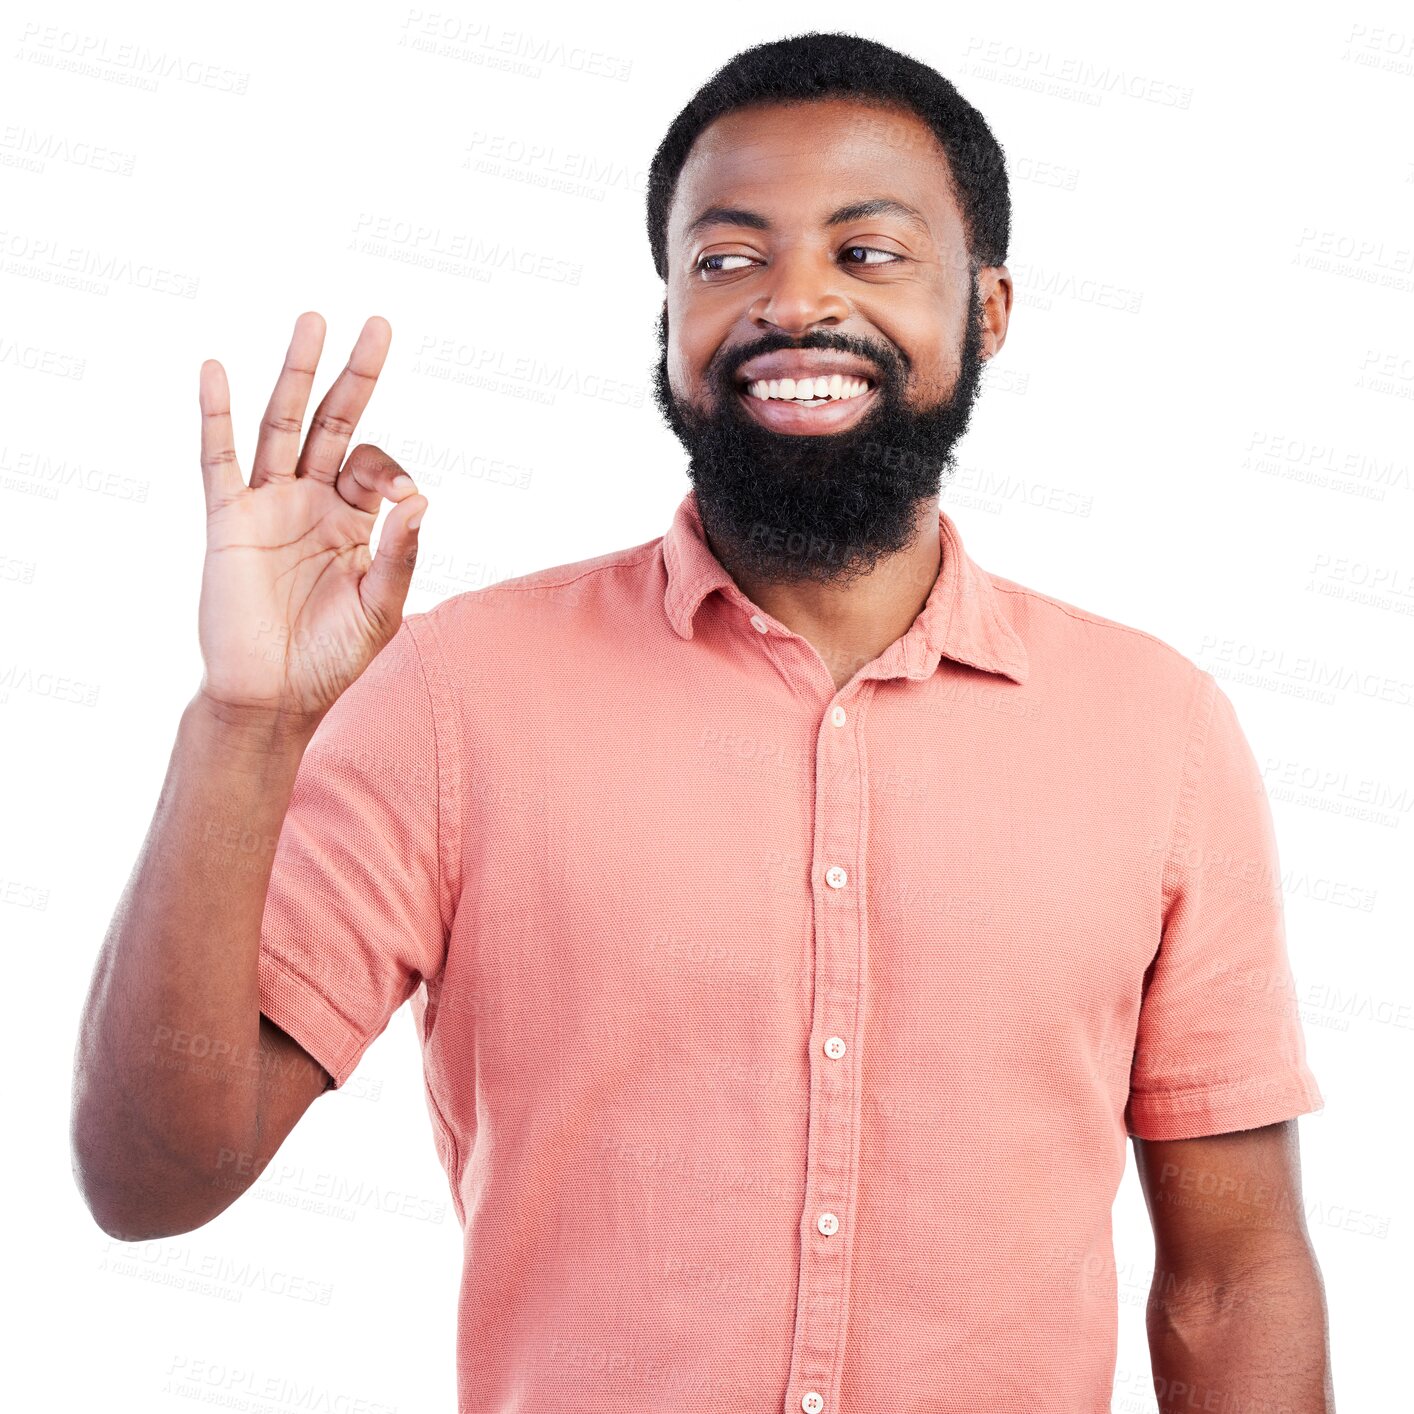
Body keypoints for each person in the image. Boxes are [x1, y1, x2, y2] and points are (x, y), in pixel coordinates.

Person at [72, 31, 1334, 1414]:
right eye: (725, 259)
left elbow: (1231, 1279)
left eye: (867, 254)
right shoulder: (450, 696)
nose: (792, 302)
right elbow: (152, 1180)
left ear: (988, 308)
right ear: (665, 316)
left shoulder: (1156, 729)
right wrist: (246, 722)